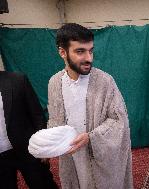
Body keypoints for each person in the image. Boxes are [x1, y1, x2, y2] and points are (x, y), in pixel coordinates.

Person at [47, 23, 133, 189]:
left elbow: (119, 121)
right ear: (62, 52)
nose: (89, 58)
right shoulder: (54, 83)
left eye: (91, 50)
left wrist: (91, 137)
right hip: (70, 157)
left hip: (99, 157)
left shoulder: (105, 81)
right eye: (80, 51)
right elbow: (55, 120)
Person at [0, 71, 58, 189]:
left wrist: (43, 148)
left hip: (29, 149)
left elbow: (37, 114)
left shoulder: (17, 80)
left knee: (43, 184)